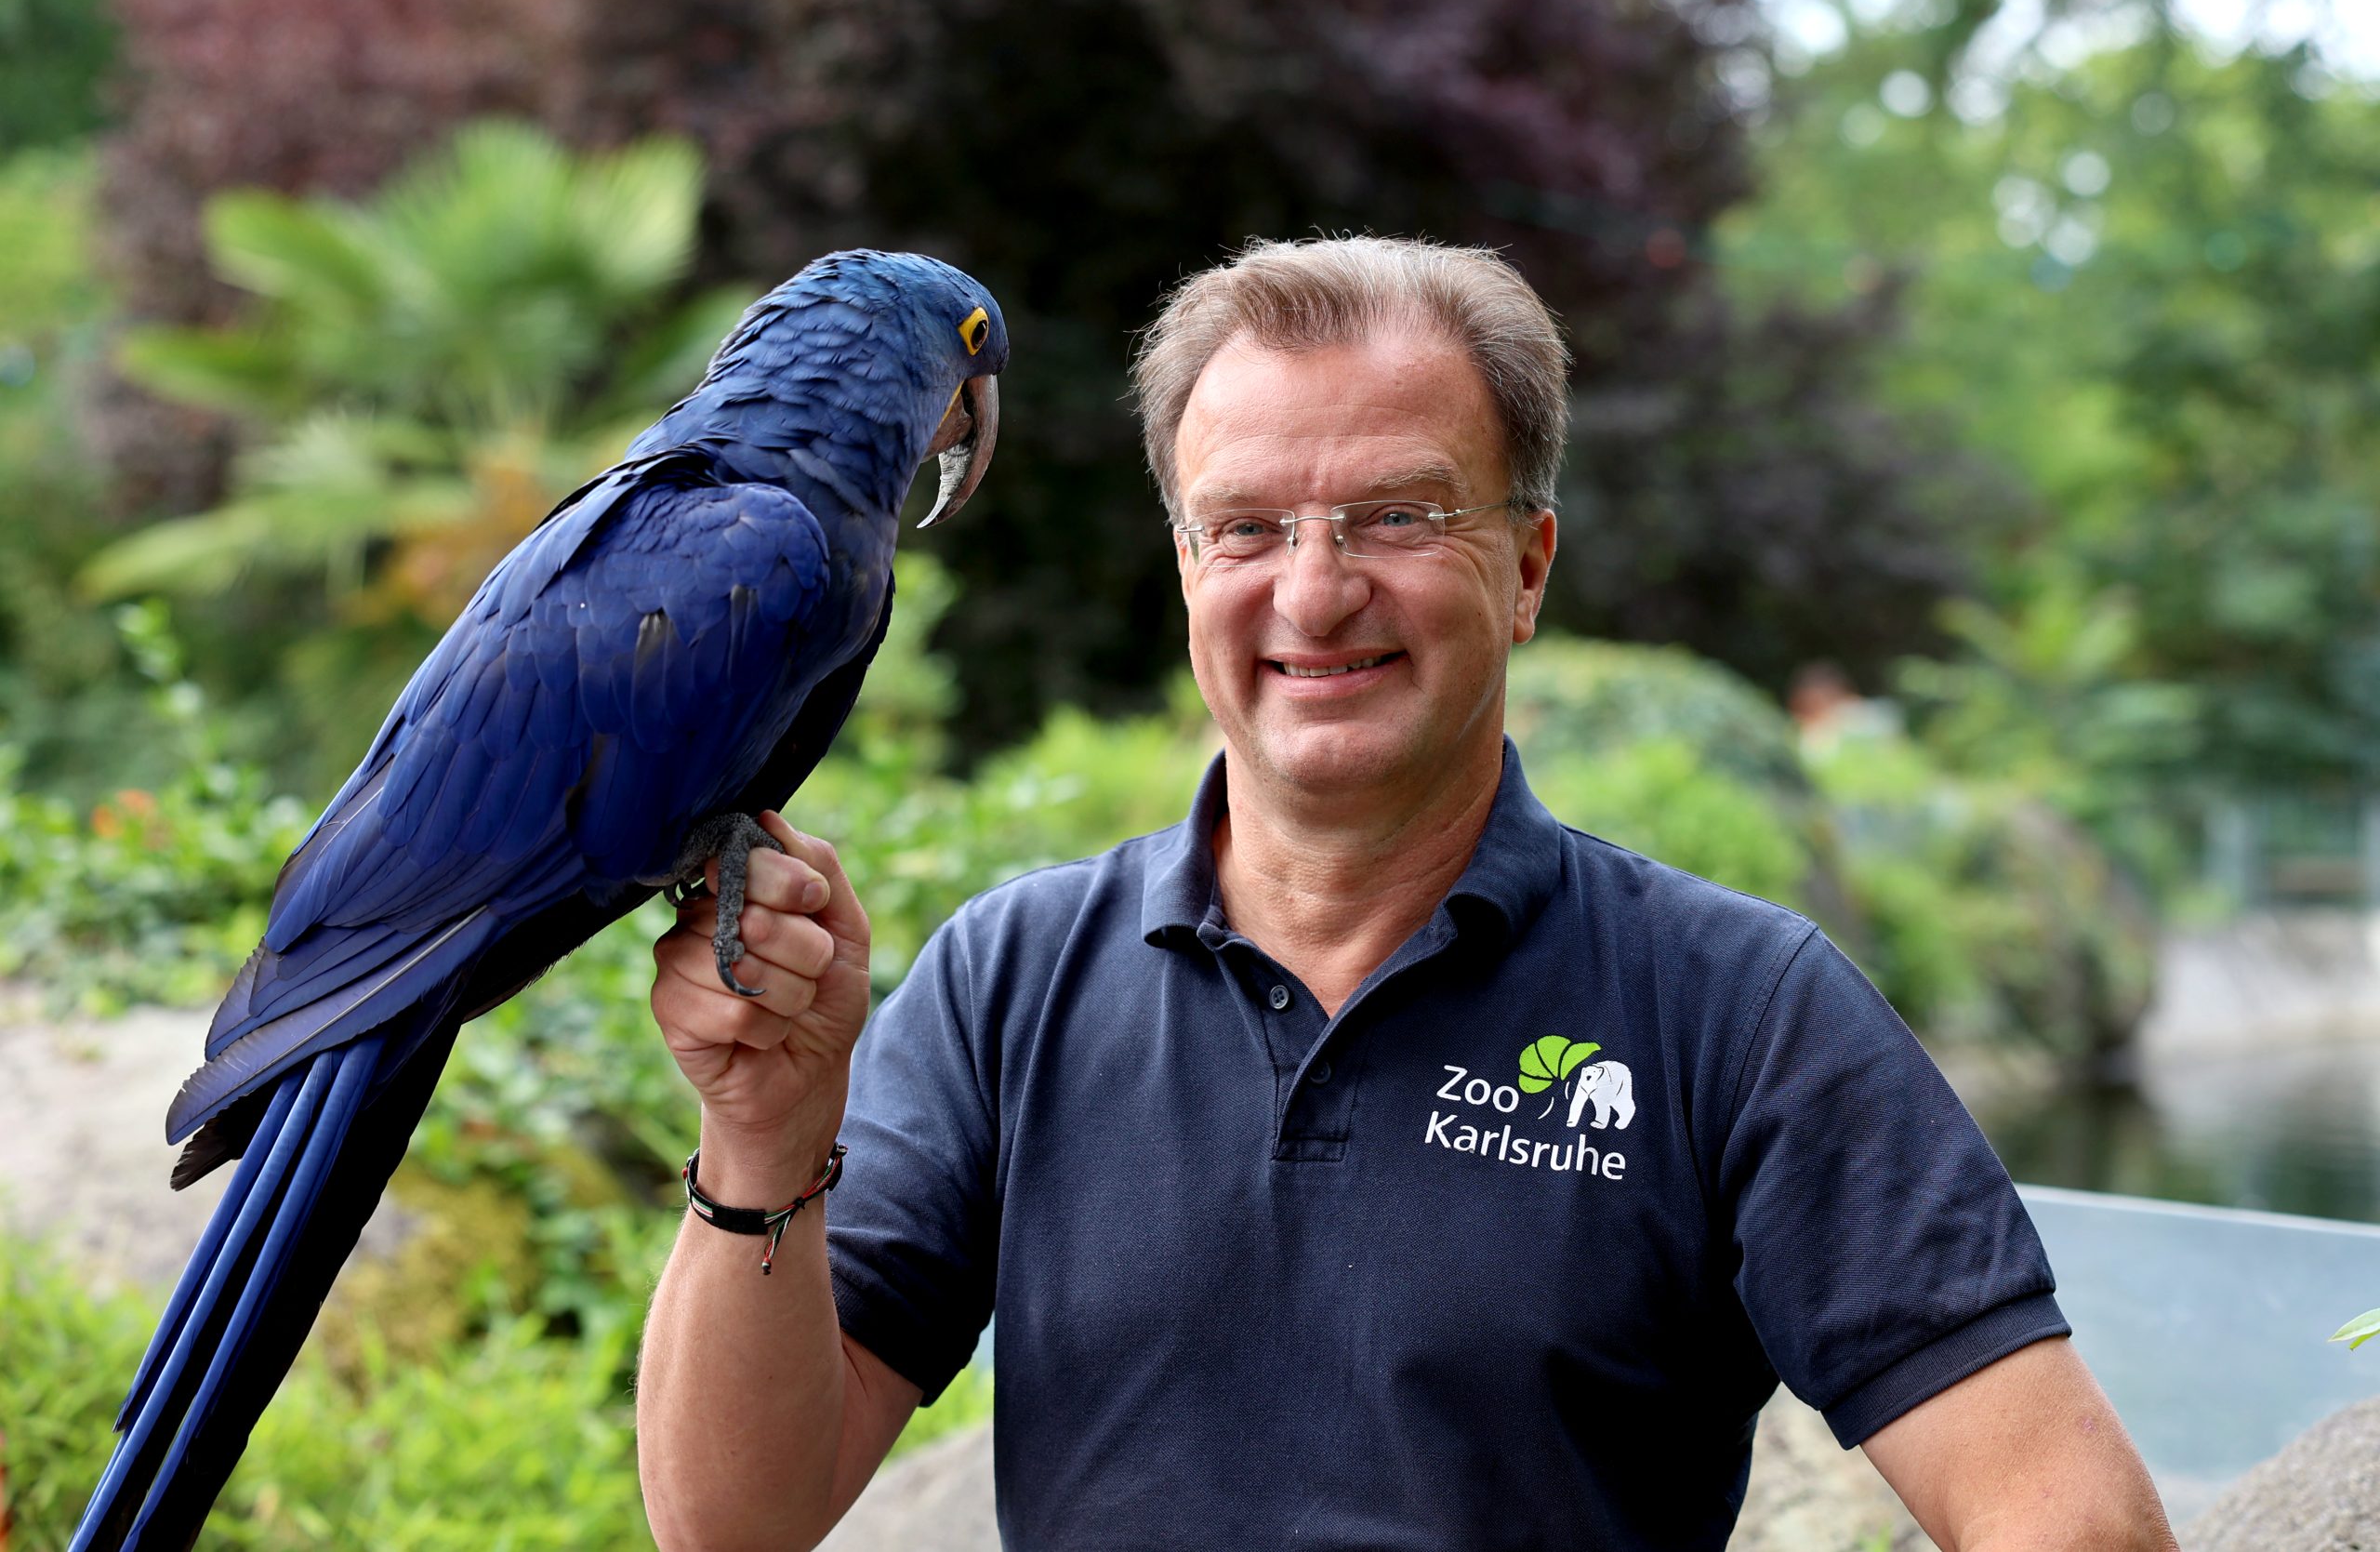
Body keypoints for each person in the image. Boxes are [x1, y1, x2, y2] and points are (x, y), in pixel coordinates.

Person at [635, 237, 2178, 1550]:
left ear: (1528, 566)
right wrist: (766, 1134)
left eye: (1398, 515)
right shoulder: (1008, 981)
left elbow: (2070, 1516)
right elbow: (733, 1521)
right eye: (1247, 526)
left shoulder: (1735, 1012)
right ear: (1187, 569)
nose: (1314, 592)